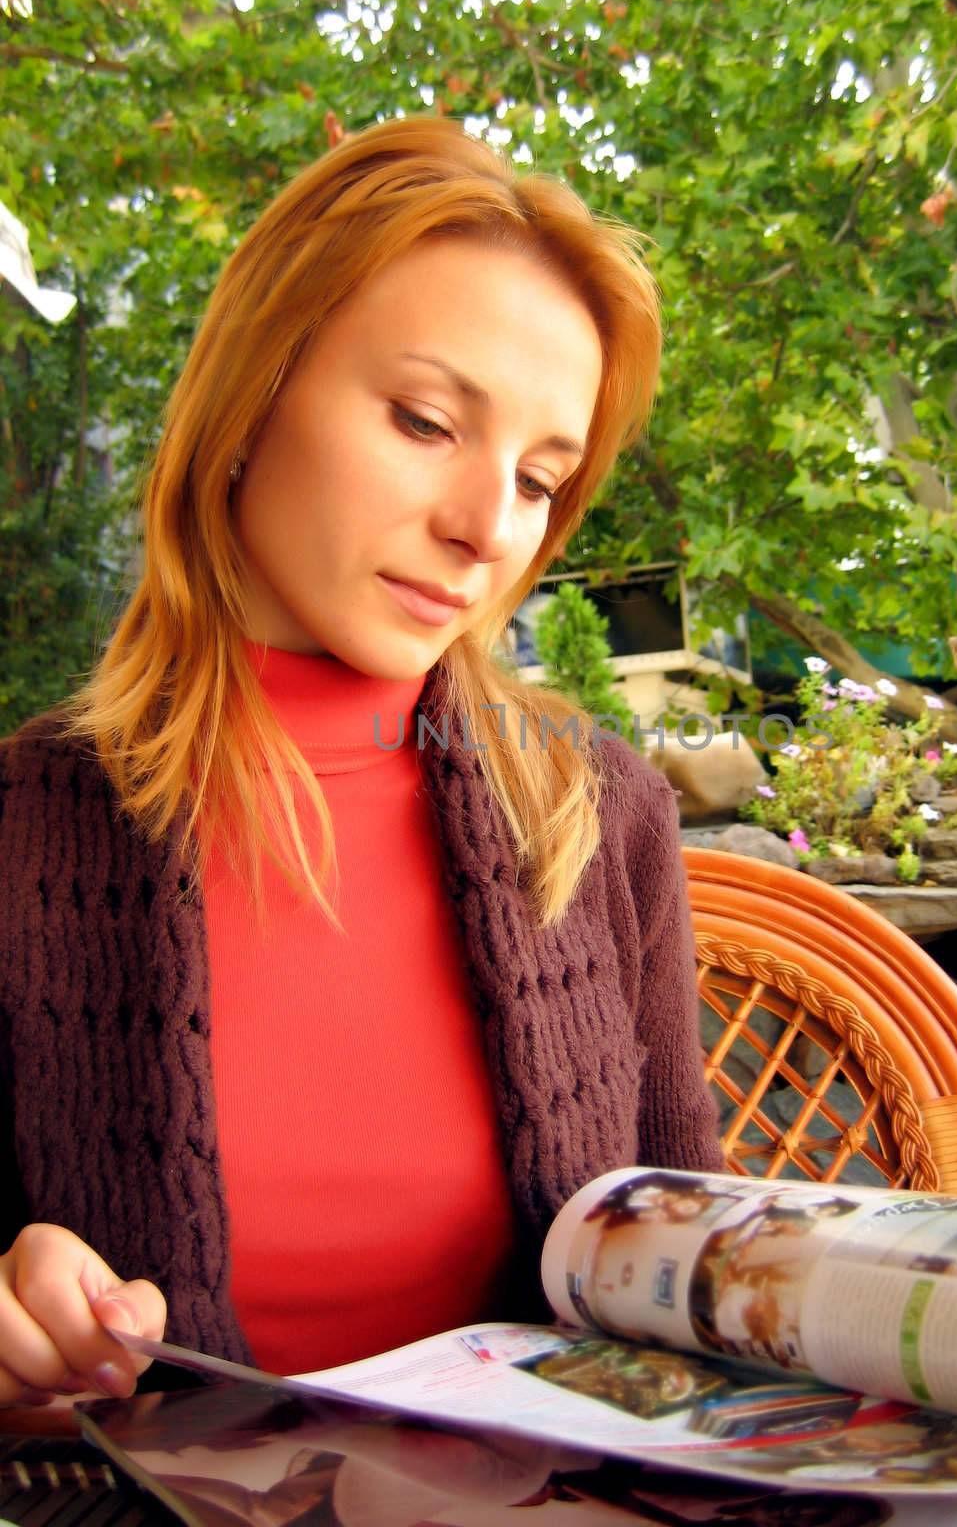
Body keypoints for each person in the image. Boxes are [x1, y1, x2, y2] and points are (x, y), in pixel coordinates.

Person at [0, 117, 725, 1408]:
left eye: (542, 479)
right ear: (253, 389)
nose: (485, 527)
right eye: (425, 420)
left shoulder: (599, 812)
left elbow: (691, 1263)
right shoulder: (20, 833)